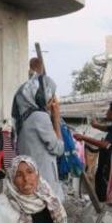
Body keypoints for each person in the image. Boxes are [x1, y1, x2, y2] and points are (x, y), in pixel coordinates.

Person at [12, 59, 65, 200]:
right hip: (44, 183)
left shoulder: (22, 118)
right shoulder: (39, 117)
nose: (52, 100)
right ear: (41, 95)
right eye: (50, 96)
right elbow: (58, 149)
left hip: (31, 182)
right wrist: (56, 119)